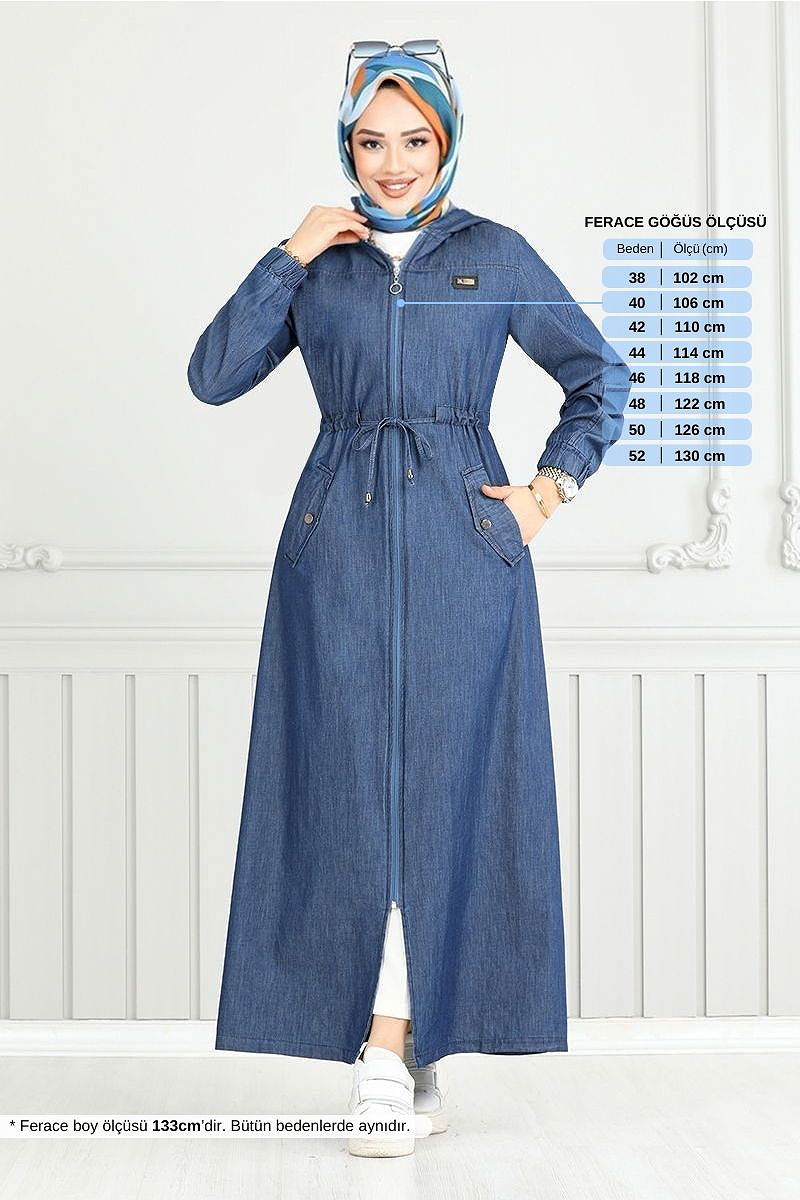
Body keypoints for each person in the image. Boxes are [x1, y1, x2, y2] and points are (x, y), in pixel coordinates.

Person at [187, 41, 631, 1160]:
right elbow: (212, 374)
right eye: (371, 141)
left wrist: (545, 494)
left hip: (464, 551)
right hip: (331, 552)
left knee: (445, 791)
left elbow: (599, 376)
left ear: (447, 142)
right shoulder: (319, 262)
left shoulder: (493, 251)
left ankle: (386, 1050)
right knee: (346, 795)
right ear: (346, 145)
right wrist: (287, 254)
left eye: (414, 140)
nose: (392, 164)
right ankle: (399, 1040)